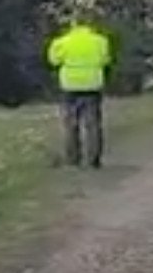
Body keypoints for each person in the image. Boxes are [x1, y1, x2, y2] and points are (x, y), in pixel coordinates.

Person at [46, 17, 113, 168]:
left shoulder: (61, 42)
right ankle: (93, 159)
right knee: (93, 124)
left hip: (70, 86)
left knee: (70, 124)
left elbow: (53, 61)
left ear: (73, 25)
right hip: (92, 85)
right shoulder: (100, 41)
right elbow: (105, 60)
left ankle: (73, 159)